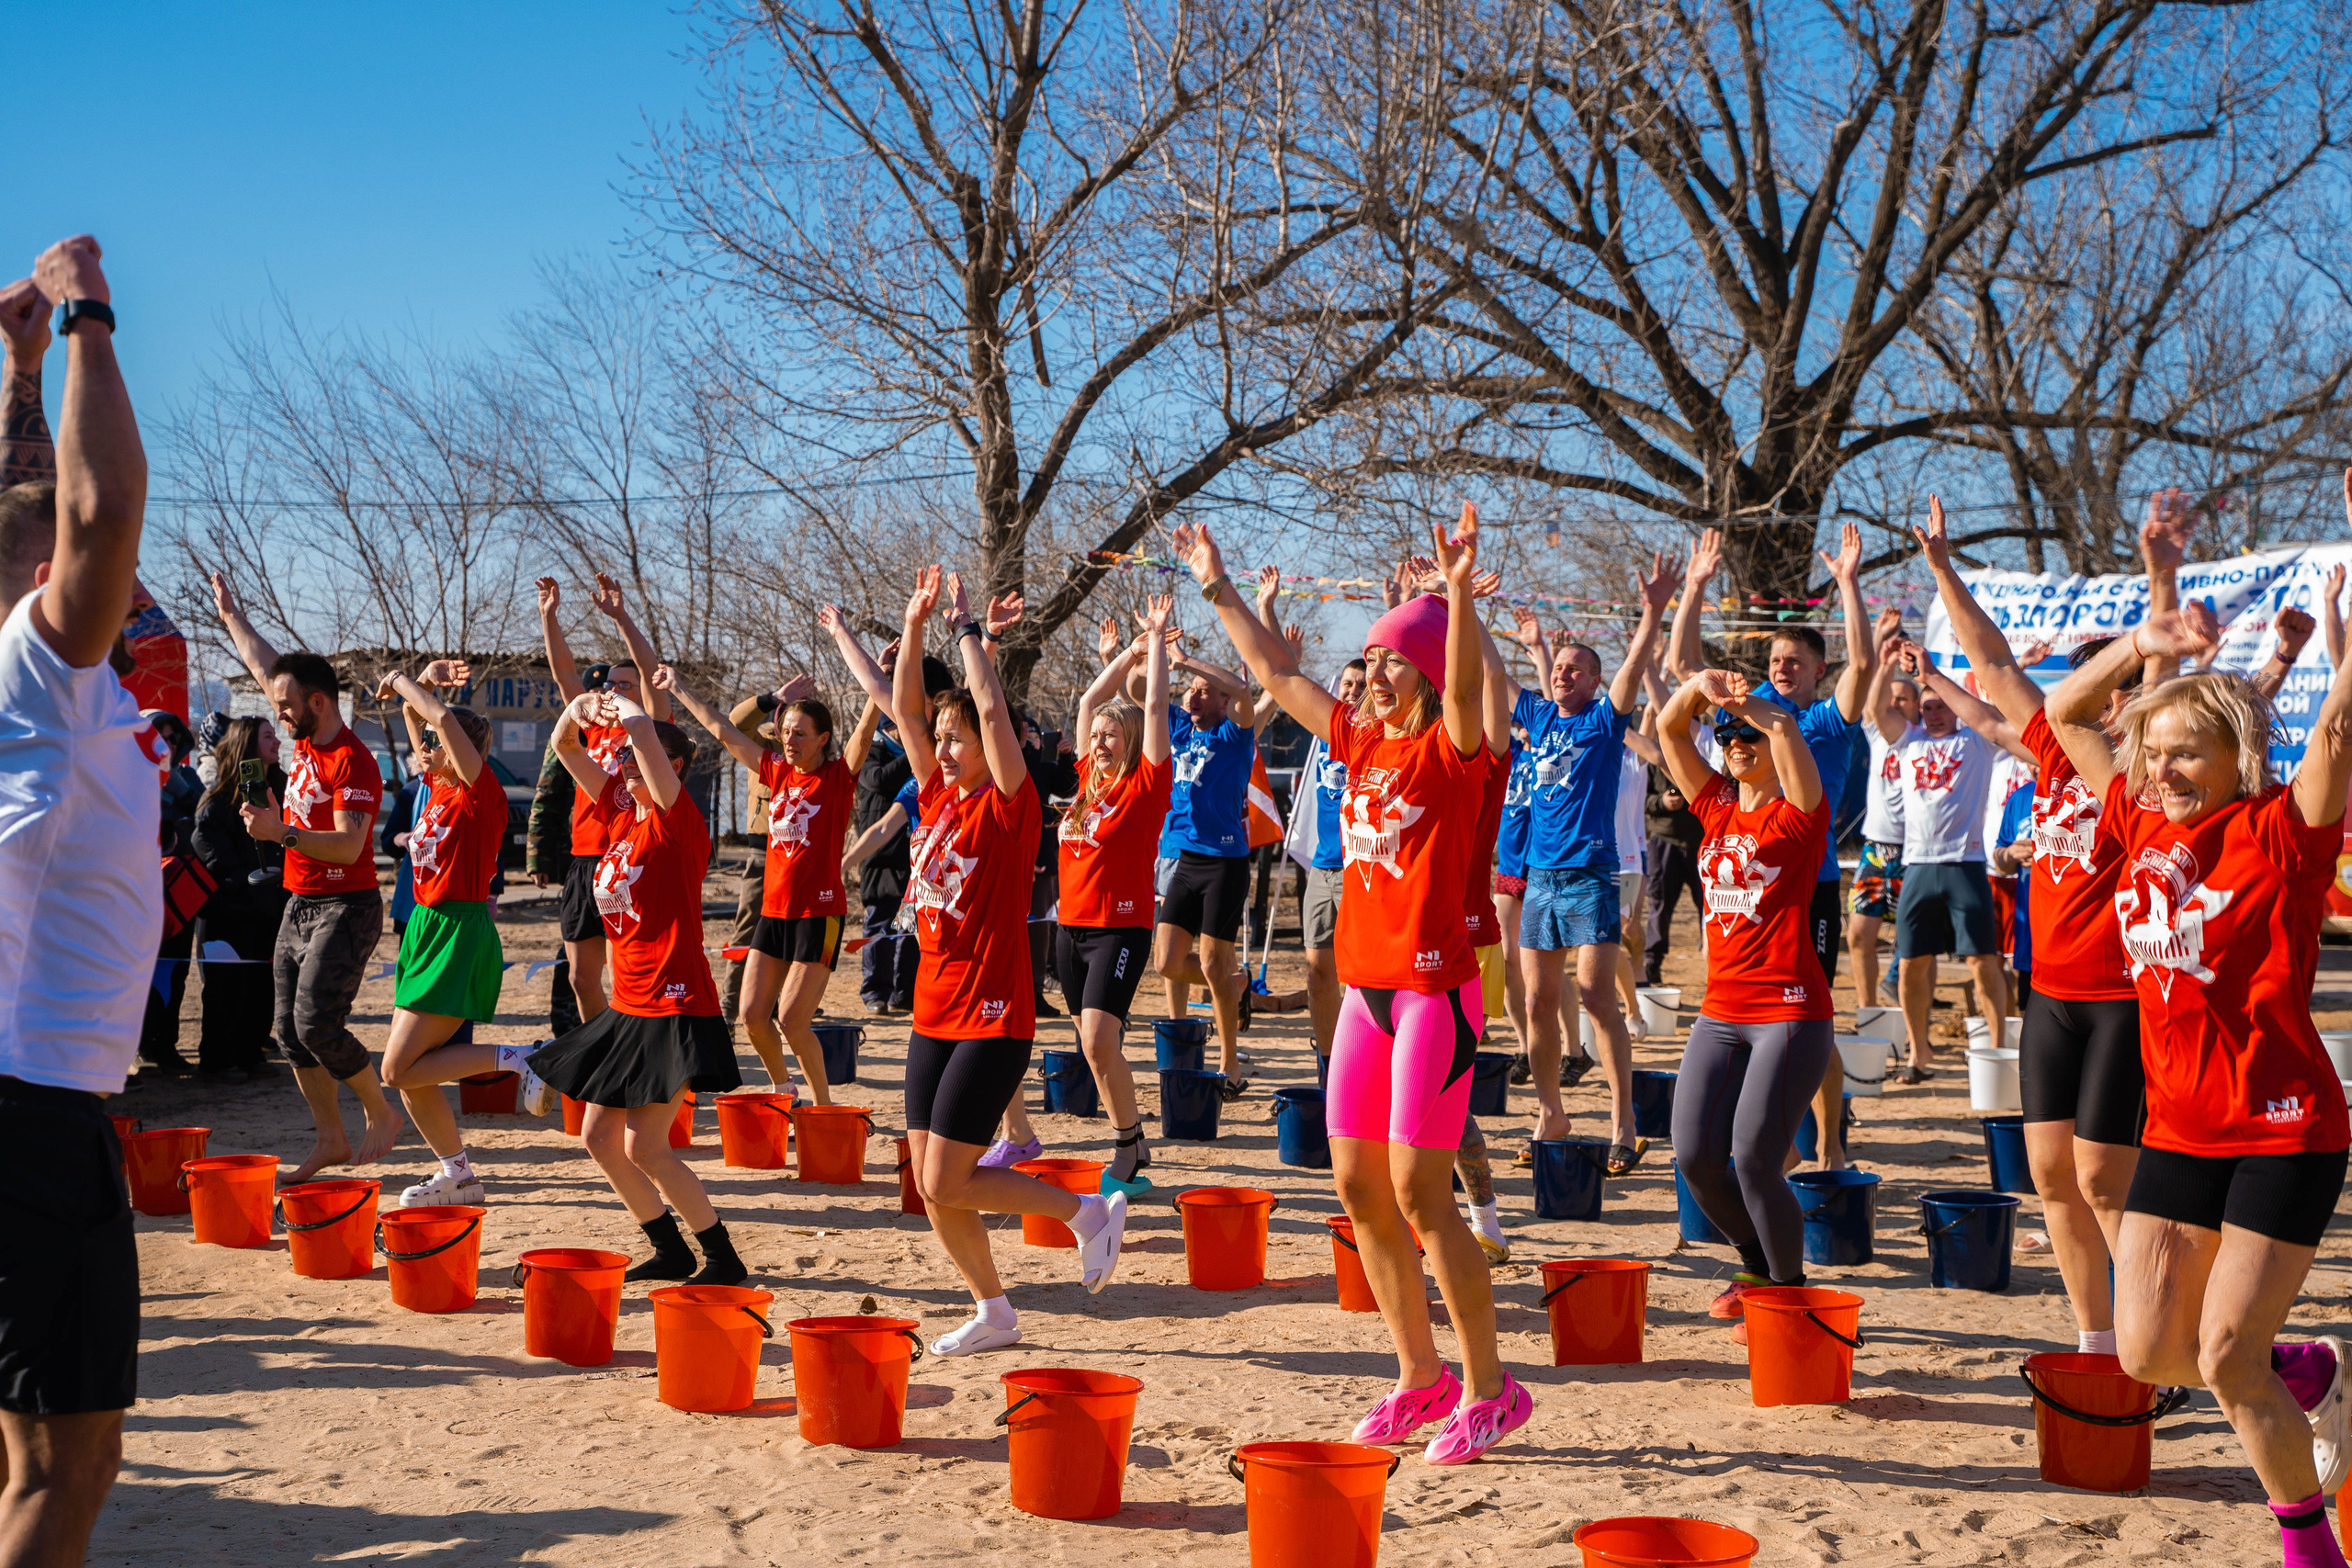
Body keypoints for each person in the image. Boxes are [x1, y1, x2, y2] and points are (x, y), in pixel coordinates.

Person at [1176, 504, 1532, 1465]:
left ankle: (1494, 1390)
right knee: (1358, 1190)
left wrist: (1452, 595)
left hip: (1437, 994)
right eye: (1367, 663)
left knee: (1423, 1192)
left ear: (1422, 673)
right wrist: (1216, 586)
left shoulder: (1451, 752)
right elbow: (1276, 675)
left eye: (1386, 663)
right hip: (1366, 991)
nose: (1368, 675)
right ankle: (1422, 1378)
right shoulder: (1357, 741)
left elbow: (1467, 689)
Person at [2046, 577, 2352, 1566]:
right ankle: (2304, 1371)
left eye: (2188, 751)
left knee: (2223, 1358)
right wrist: (2143, 643)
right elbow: (2061, 711)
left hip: (2283, 1130)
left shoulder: (2280, 836)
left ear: (2236, 758)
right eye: (2156, 750)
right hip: (2176, 1132)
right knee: (2146, 1357)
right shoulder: (2138, 826)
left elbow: (2339, 731)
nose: (2166, 768)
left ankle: (2310, 1550)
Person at [1917, 491, 2190, 1357]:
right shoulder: (2045, 754)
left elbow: (2163, 670)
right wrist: (1941, 568)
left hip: (2122, 1000)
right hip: (2052, 996)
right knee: (2049, 1176)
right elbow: (1992, 661)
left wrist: (2159, 578)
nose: (2090, 696)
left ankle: (2163, 1337)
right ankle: (2098, 1342)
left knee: (2107, 1180)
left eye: (2106, 683)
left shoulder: (2137, 771)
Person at [0, 236, 154, 1567]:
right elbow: (96, 514)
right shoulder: (35, 668)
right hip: (29, 1106)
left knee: (29, 1448)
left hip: (31, 1086)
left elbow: (30, 503)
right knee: (68, 1457)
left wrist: (17, 365)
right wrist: (87, 312)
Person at [890, 566, 1129, 1357]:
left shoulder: (1008, 806)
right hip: (933, 1011)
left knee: (945, 1179)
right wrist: (916, 622)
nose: (947, 746)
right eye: (944, 737)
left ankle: (1084, 1212)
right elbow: (902, 708)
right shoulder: (934, 797)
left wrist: (968, 631)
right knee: (930, 1180)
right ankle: (994, 1309)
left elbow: (989, 704)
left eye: (959, 738)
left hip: (992, 1015)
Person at [1671, 523, 1876, 1168]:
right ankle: (1780, 1148)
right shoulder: (1750, 711)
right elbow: (1685, 673)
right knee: (1752, 1021)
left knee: (1809, 1017)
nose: (1780, 669)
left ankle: (1831, 1145)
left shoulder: (1825, 719)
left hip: (1808, 886)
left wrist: (1847, 583)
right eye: (1774, 662)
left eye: (1794, 662)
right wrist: (1694, 588)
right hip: (1747, 886)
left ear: (1819, 669)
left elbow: (1864, 666)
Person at [527, 688, 747, 1284]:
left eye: (631, 754)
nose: (621, 759)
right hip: (630, 1003)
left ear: (671, 767)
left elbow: (647, 738)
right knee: (600, 1136)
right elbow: (565, 747)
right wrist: (577, 708)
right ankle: (669, 1247)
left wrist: (625, 701)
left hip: (672, 1004)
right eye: (620, 753)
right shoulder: (622, 814)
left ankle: (724, 1258)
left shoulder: (679, 824)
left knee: (646, 1147)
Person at [1653, 664, 1833, 1333]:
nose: (1735, 739)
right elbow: (1672, 728)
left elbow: (1783, 723)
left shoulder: (1799, 816)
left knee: (1756, 1157)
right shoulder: (1714, 806)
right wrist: (1700, 685)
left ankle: (1791, 1294)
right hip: (1721, 1011)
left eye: (1745, 735)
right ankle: (1755, 1262)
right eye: (1726, 733)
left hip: (1789, 1013)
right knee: (1695, 1157)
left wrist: (1751, 705)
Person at [209, 576, 400, 1185]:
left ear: (319, 702)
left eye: (286, 704)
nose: (277, 710)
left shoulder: (353, 758)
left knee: (319, 1021)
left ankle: (381, 1113)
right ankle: (331, 1139)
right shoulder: (303, 737)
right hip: (301, 901)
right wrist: (231, 613)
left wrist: (279, 833)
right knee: (289, 1033)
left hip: (348, 903)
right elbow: (264, 665)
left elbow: (348, 845)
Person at [1509, 545, 1675, 1169]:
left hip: (1591, 875)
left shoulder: (1604, 723)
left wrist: (1652, 613)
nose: (1564, 675)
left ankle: (1624, 1120)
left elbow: (1631, 670)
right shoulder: (1537, 716)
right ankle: (1550, 1111)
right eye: (1560, 668)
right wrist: (1451, 595)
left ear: (1594, 682)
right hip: (1540, 879)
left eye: (1577, 670)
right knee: (1534, 1002)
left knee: (1596, 994)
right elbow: (1479, 674)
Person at [369, 665, 527, 1206]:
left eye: (436, 744)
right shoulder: (434, 784)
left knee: (395, 1070)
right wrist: (418, 682)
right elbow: (419, 714)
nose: (425, 748)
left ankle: (518, 1058)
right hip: (425, 928)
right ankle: (457, 1174)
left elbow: (431, 714)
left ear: (459, 749)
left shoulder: (480, 795)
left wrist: (399, 679)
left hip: (458, 931)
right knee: (411, 1076)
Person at [660, 666, 849, 1100]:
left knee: (793, 1019)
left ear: (823, 739)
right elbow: (724, 731)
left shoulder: (838, 777)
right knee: (750, 1014)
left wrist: (882, 679)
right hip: (774, 912)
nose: (789, 740)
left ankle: (822, 1111)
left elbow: (868, 724)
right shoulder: (776, 771)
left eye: (800, 733)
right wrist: (679, 688)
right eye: (785, 732)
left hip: (819, 914)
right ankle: (786, 1092)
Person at [1053, 594, 1176, 1196]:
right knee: (1093, 1047)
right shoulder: (1081, 784)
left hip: (1118, 930)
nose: (1100, 742)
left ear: (1128, 741)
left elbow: (1154, 705)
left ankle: (1127, 1143)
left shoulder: (1146, 787)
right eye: (1096, 735)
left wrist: (1152, 642)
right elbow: (1083, 702)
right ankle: (1131, 1135)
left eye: (1111, 734)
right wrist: (1120, 653)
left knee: (1103, 1040)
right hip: (1068, 931)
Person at [1877, 639, 2035, 1082]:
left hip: (1966, 865)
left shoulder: (1976, 742)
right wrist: (1885, 659)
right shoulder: (1908, 742)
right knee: (1911, 961)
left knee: (1985, 961)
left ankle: (2001, 1051)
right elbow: (1876, 710)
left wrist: (1938, 680)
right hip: (1919, 866)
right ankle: (1919, 1052)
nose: (1934, 713)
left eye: (1941, 705)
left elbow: (1991, 712)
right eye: (1926, 707)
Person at [536, 572, 671, 1031]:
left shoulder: (647, 730)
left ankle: (629, 1047)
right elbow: (566, 675)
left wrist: (621, 618)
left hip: (626, 860)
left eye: (623, 685)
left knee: (623, 974)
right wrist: (549, 617)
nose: (612, 692)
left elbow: (651, 676)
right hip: (583, 860)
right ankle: (601, 1045)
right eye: (608, 685)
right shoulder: (592, 727)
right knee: (579, 978)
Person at [1137, 620, 1259, 1097]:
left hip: (1225, 863)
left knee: (1212, 963)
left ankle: (1229, 1064)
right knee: (1166, 962)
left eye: (1205, 692)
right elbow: (1134, 687)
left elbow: (1245, 692)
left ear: (1222, 702)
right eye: (1190, 690)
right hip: (1185, 859)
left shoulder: (1234, 735)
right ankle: (1237, 983)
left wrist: (1187, 661)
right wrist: (1145, 650)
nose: (1193, 697)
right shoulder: (1178, 728)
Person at [189, 716, 289, 1082]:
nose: (277, 742)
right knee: (225, 990)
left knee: (261, 986)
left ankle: (250, 1054)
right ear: (247, 744)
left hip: (268, 912)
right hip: (228, 914)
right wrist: (247, 883)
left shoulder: (279, 789)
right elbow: (210, 851)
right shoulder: (218, 800)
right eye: (268, 736)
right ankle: (216, 1061)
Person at [1283, 655, 1369, 1063]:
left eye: (1361, 685)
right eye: (1348, 684)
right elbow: (1286, 681)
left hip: (1361, 870)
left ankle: (1362, 1060)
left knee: (1361, 977)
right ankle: (1329, 1062)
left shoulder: (1376, 735)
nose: (1352, 691)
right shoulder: (1325, 732)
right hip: (1322, 867)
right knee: (1318, 972)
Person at [1846, 609, 1917, 1015]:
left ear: (1916, 706)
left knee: (1911, 943)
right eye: (1890, 698)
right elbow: (1868, 684)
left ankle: (1907, 1017)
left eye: (1903, 699)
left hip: (1917, 853)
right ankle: (1867, 1009)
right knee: (1859, 933)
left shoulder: (1926, 737)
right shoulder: (1877, 733)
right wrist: (1881, 640)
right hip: (1877, 850)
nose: (1894, 704)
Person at [1640, 747, 1702, 986]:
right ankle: (1652, 964)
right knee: (1659, 904)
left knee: (1712, 906)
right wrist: (1662, 802)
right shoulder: (1654, 755)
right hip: (1664, 841)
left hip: (1701, 840)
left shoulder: (1700, 750)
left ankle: (1716, 959)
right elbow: (1638, 796)